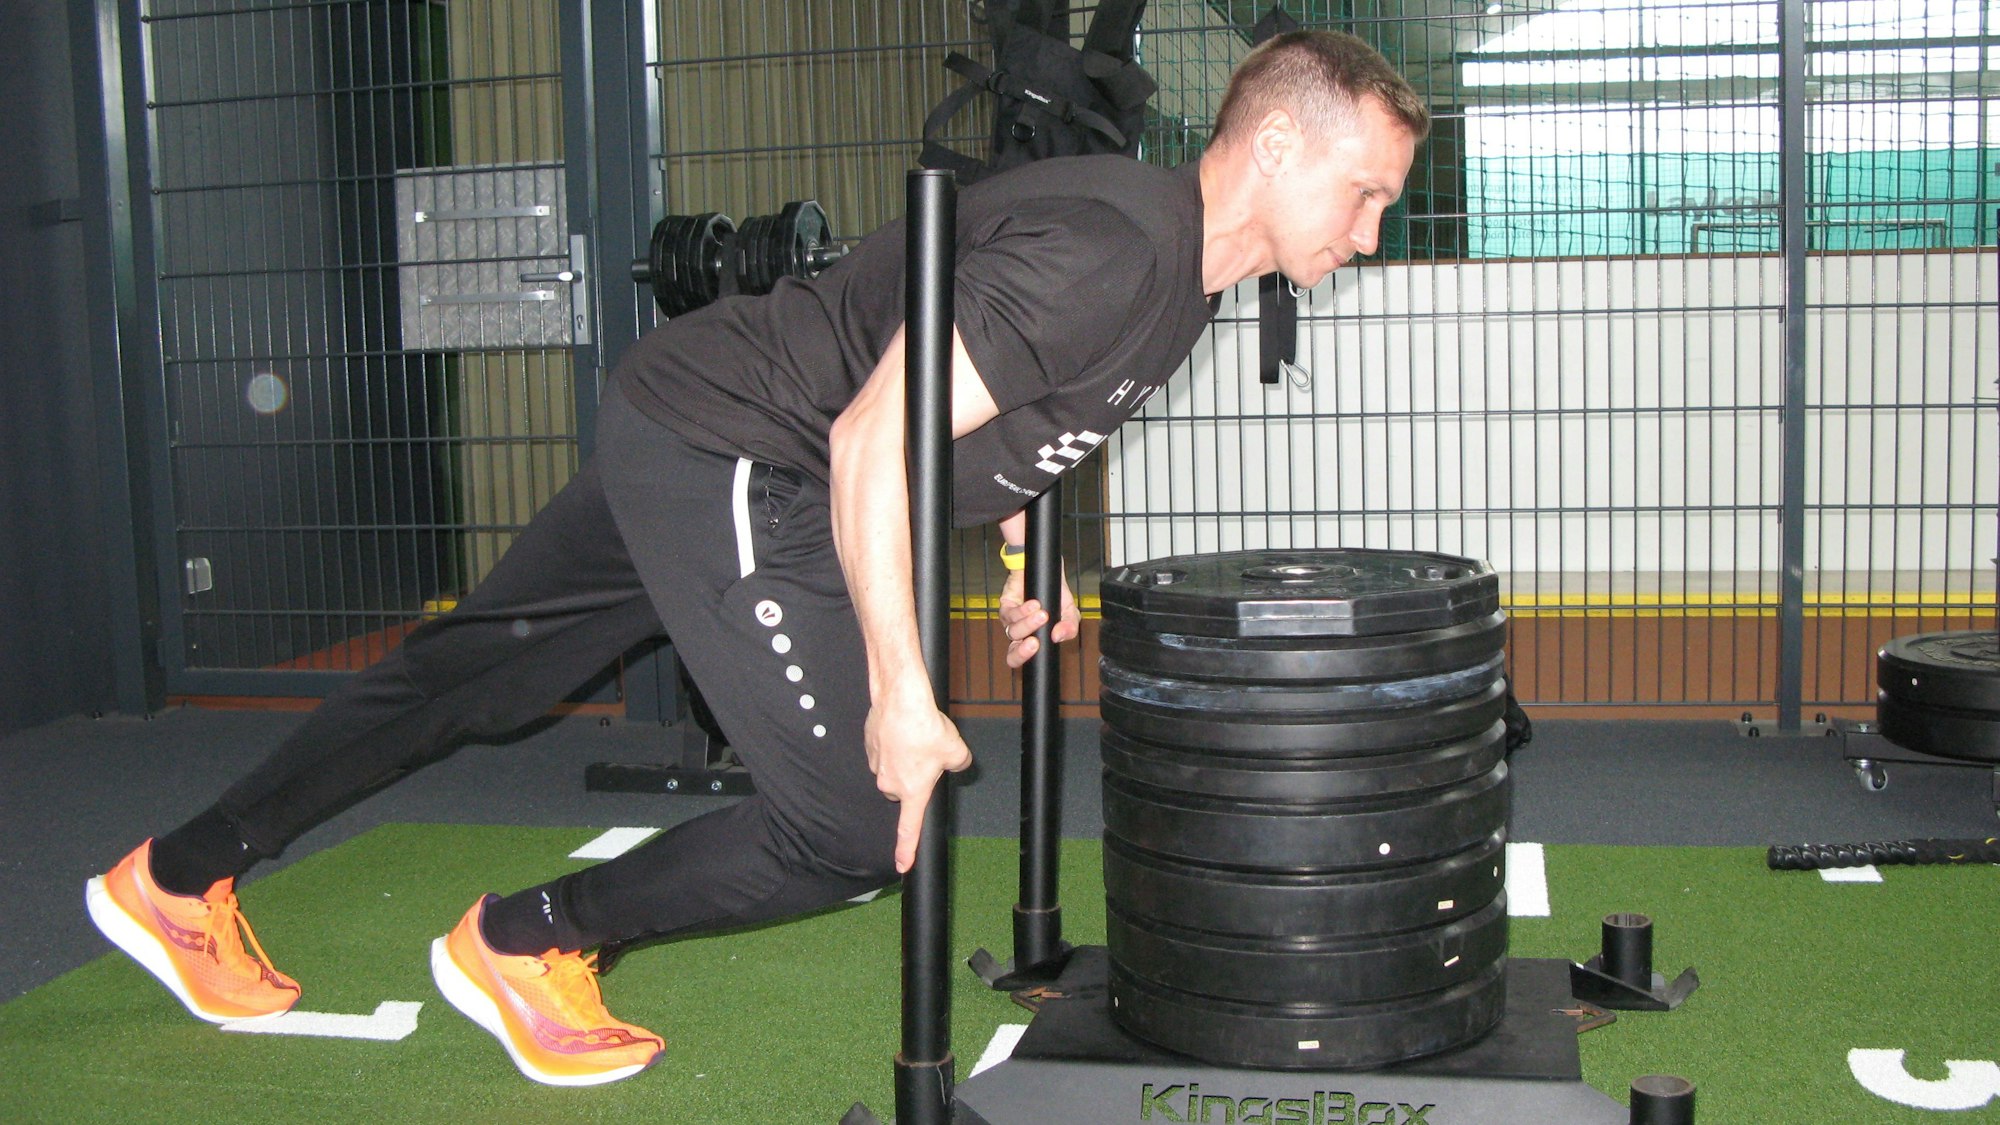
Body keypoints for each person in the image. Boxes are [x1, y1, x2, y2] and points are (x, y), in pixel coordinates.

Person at [84, 30, 1427, 1086]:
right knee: (853, 817)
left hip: (689, 416)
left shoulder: (1183, 274)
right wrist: (904, 691)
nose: (1368, 236)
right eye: (1365, 195)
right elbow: (867, 442)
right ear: (1274, 150)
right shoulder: (1116, 252)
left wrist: (1036, 544)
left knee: (469, 680)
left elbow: (1017, 411)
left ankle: (174, 873)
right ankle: (522, 941)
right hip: (753, 450)